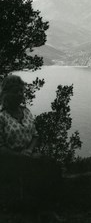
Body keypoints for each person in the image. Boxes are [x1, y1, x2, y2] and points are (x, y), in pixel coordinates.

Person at [0, 75, 63, 222]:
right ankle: (42, 211)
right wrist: (20, 155)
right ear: (6, 93)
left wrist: (29, 151)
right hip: (10, 160)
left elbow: (35, 135)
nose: (20, 95)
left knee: (54, 166)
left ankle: (47, 209)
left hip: (29, 155)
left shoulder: (26, 112)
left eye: (21, 91)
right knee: (40, 171)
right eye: (16, 91)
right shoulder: (1, 117)